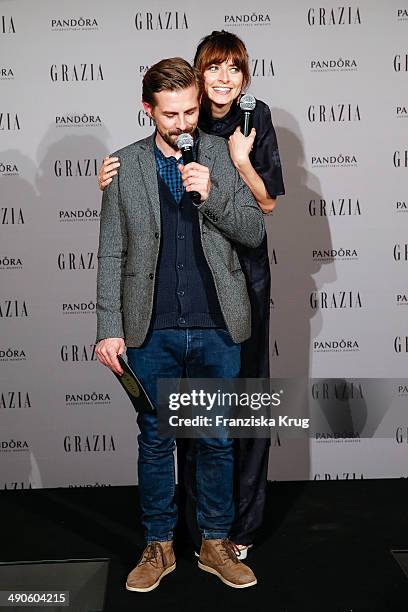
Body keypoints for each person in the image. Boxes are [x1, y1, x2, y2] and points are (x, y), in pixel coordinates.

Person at [98, 31, 285, 559]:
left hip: (216, 326)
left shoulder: (226, 155)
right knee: (155, 440)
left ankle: (217, 544)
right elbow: (112, 252)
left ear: (198, 105)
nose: (181, 125)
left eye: (188, 113)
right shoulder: (124, 164)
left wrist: (215, 194)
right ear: (147, 110)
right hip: (150, 328)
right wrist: (108, 327)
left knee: (217, 442)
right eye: (168, 115)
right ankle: (159, 545)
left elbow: (254, 229)